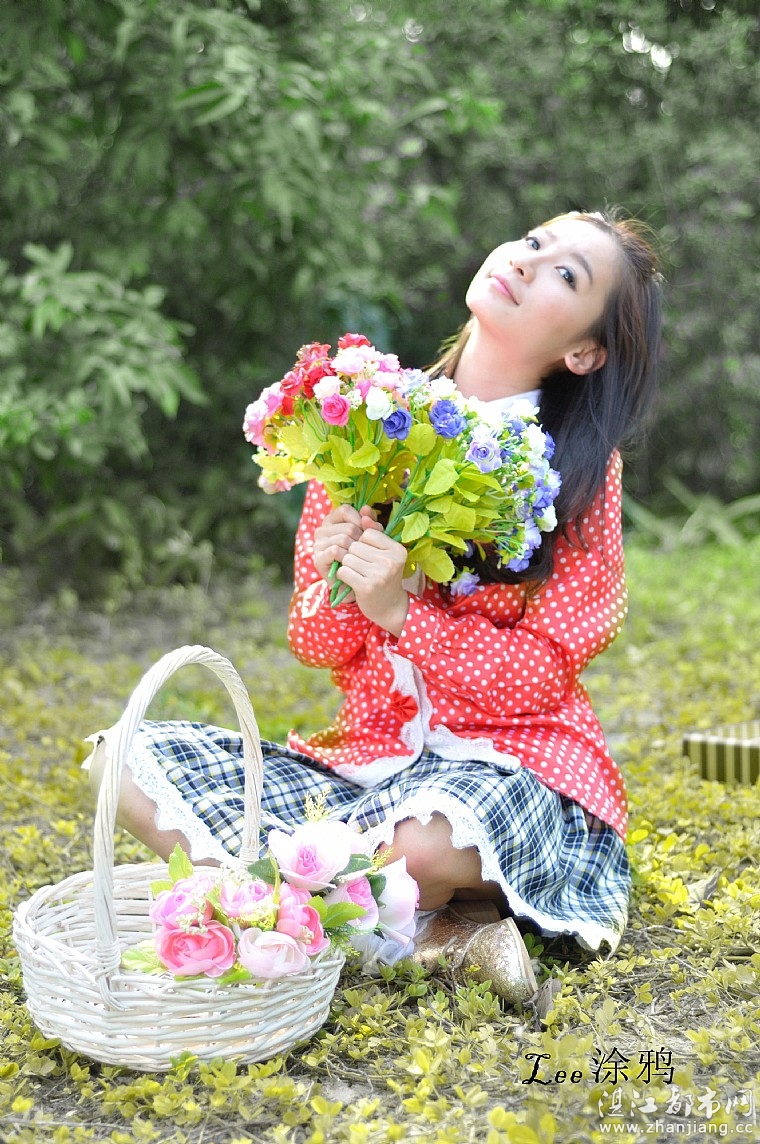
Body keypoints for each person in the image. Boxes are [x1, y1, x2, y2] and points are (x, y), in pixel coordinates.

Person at [86, 208, 663, 1007]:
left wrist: (404, 614)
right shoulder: (361, 420)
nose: (527, 262)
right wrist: (341, 579)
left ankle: (297, 912)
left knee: (426, 844)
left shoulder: (578, 472)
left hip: (511, 769)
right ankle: (435, 931)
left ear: (584, 352)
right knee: (120, 763)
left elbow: (540, 674)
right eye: (534, 242)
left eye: (566, 273)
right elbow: (315, 640)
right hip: (371, 771)